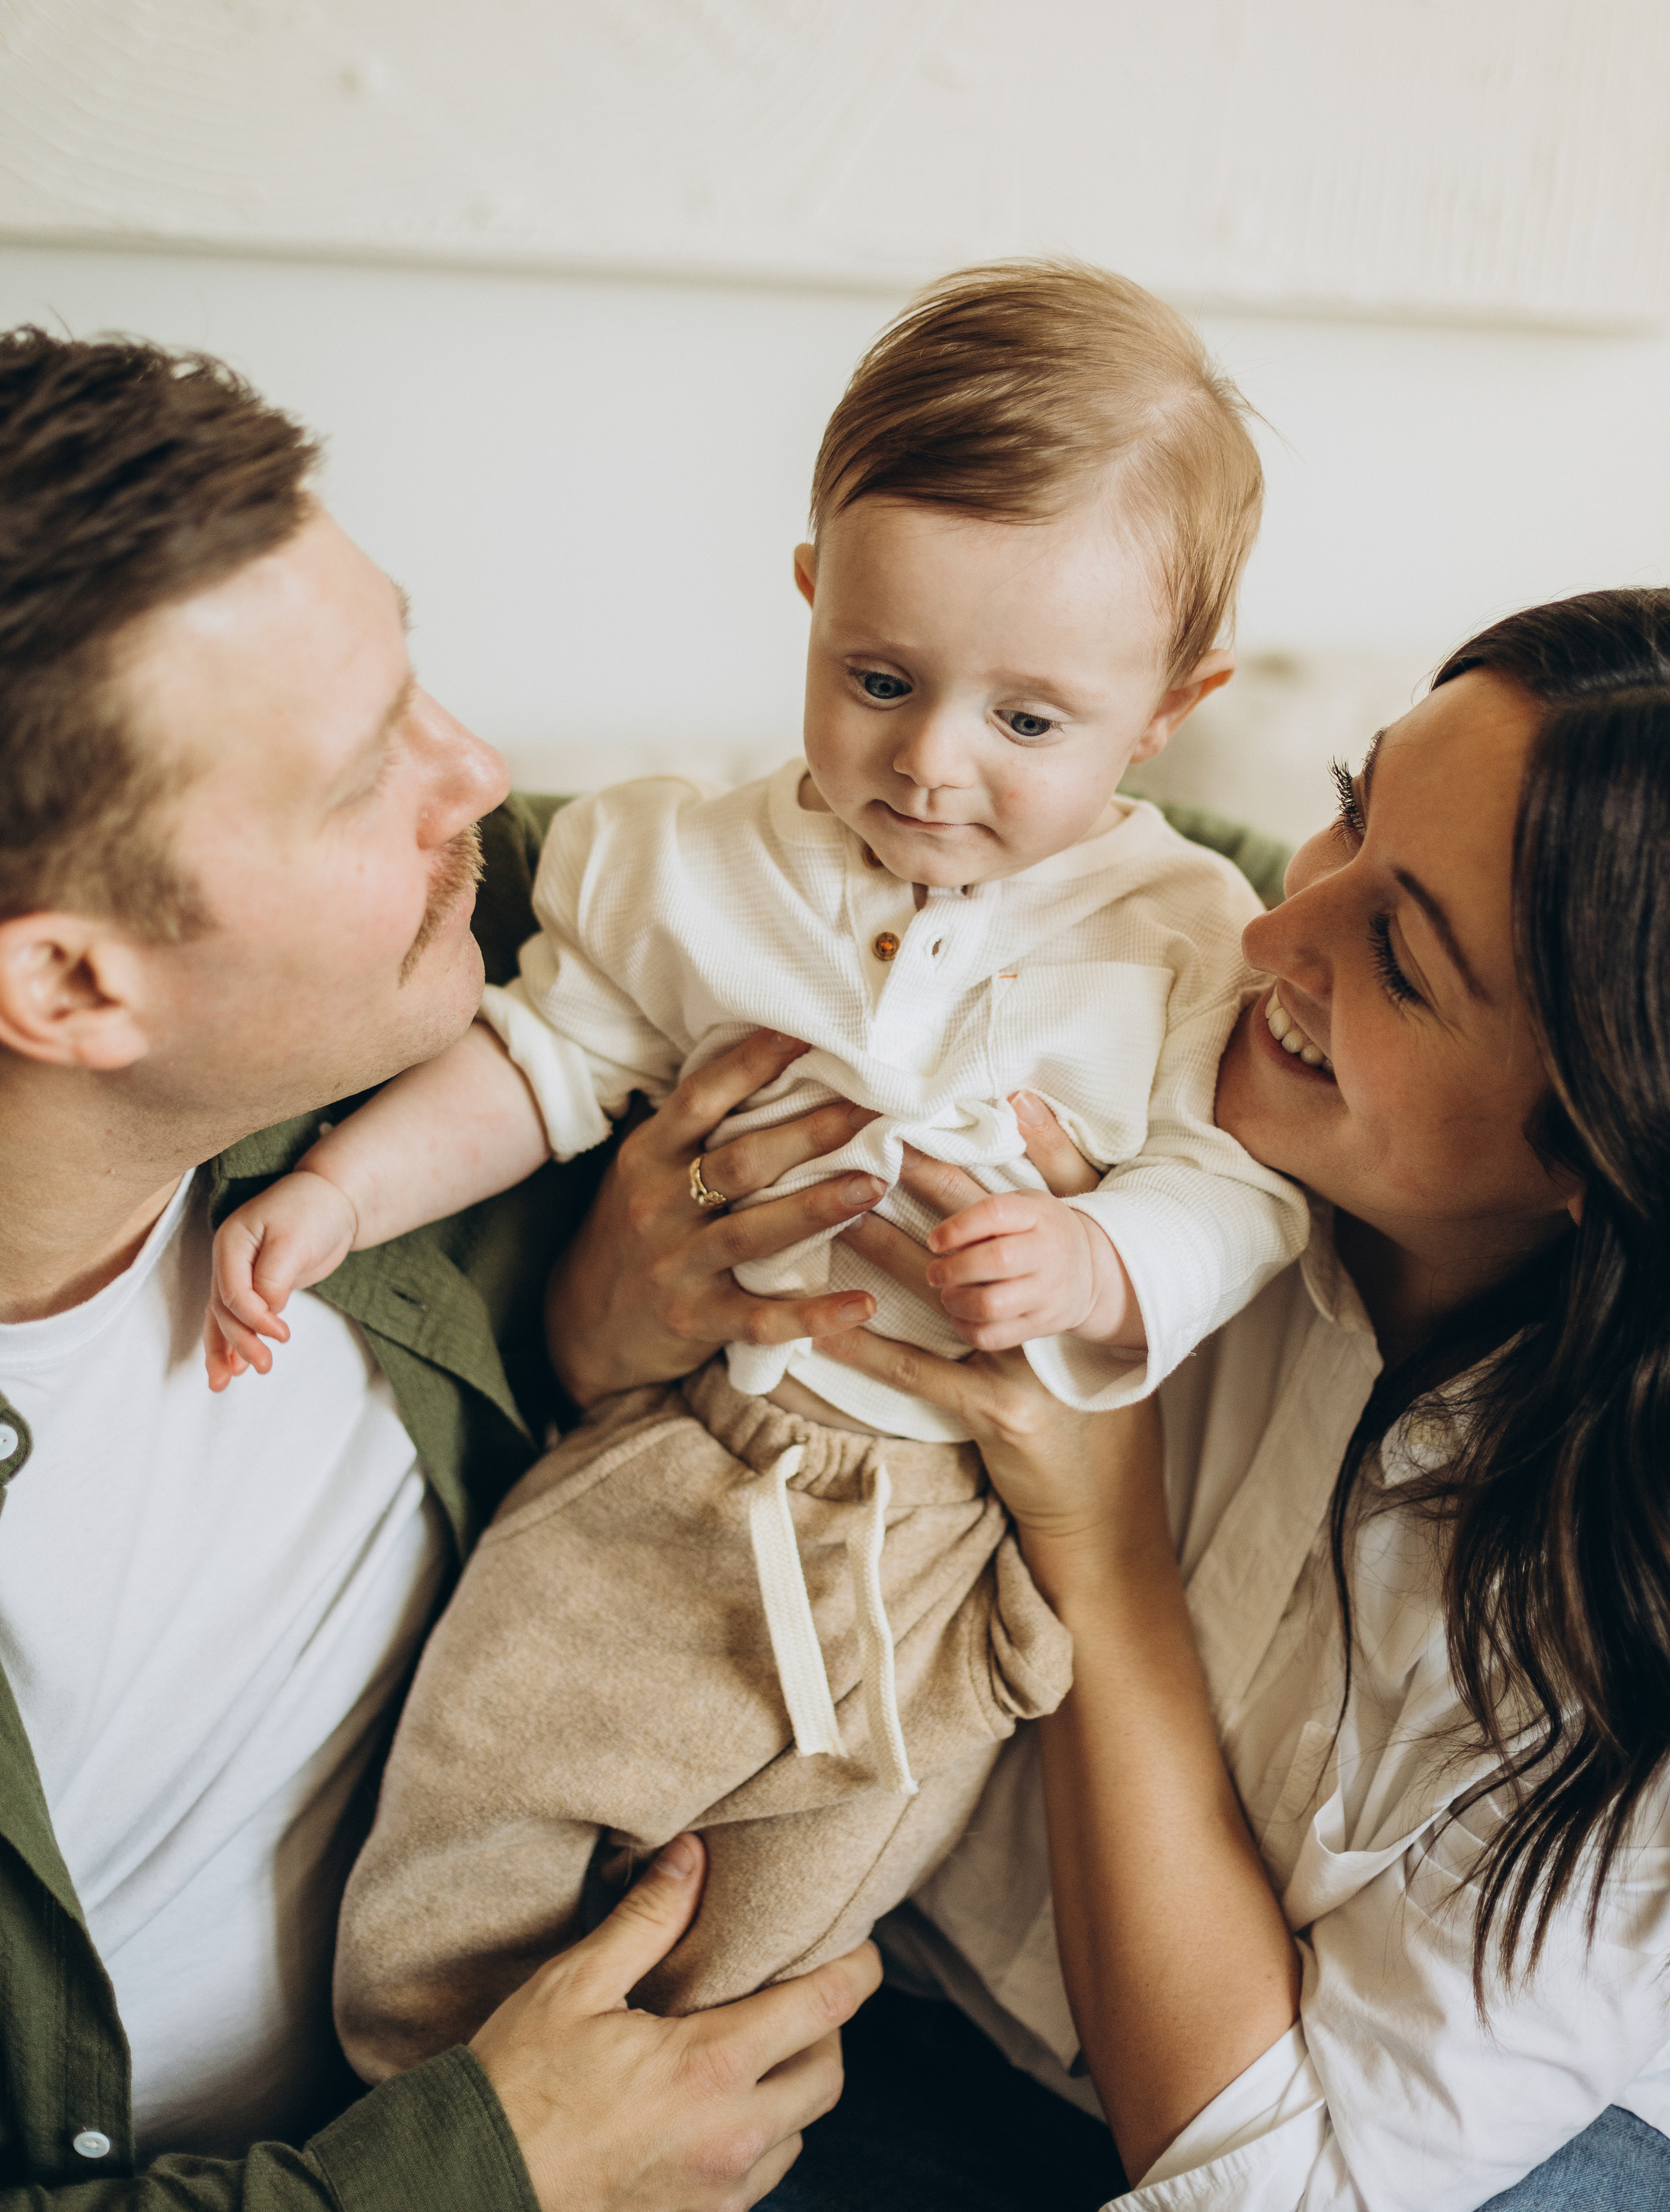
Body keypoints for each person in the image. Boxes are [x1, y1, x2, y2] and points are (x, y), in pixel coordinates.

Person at [206, 262, 1307, 2056]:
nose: (933, 765)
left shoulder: (1187, 925)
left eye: (1029, 722)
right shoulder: (696, 865)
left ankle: (670, 2105)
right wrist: (341, 1195)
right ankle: (421, 2089)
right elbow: (543, 1059)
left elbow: (1238, 1189)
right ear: (809, 599)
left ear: (1170, 712)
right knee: (496, 1747)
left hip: (947, 1533)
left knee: (804, 1890)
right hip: (682, 1460)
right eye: (879, 677)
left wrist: (1107, 1264)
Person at [545, 587, 1670, 2210]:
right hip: (896, 1996)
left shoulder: (1609, 1624)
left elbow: (1265, 2190)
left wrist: (1103, 1543)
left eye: (1400, 964)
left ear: (1597, 1143)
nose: (1273, 932)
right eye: (1347, 813)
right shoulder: (1115, 992)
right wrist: (610, 1293)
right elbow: (618, 1349)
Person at [0, 326, 882, 2209]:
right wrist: (484, 2170)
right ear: (70, 983)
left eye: (415, 670)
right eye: (356, 776)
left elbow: (1129, 894)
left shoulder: (469, 952)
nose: (471, 769)